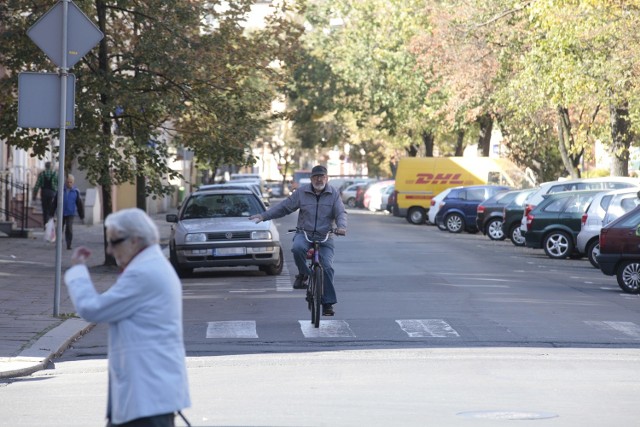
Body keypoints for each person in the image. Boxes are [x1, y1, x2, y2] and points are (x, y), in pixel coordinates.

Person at [64, 208, 191, 427]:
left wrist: (78, 272)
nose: (109, 250)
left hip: (146, 398)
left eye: (114, 242)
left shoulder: (143, 273)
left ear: (135, 240)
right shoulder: (151, 266)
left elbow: (92, 308)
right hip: (149, 393)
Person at [249, 165, 347, 316]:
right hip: (305, 233)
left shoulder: (334, 194)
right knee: (297, 248)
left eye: (322, 176)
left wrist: (341, 227)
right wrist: (264, 216)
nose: (319, 179)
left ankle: (327, 304)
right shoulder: (302, 192)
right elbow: (284, 207)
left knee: (326, 267)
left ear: (327, 178)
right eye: (316, 176)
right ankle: (303, 274)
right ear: (311, 179)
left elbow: (340, 212)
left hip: (325, 235)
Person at [51, 174, 85, 250]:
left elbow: (79, 204)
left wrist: (81, 215)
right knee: (59, 228)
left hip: (70, 213)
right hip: (61, 212)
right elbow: (55, 202)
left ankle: (68, 244)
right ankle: (58, 243)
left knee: (69, 228)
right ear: (65, 182)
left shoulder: (76, 191)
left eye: (71, 182)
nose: (69, 183)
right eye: (68, 182)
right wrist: (51, 213)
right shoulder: (60, 190)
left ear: (73, 182)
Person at [32, 161, 58, 227]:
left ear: (45, 166)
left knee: (45, 209)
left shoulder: (42, 174)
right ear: (51, 166)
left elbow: (37, 185)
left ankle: (45, 224)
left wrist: (34, 195)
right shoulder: (55, 174)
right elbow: (58, 184)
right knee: (51, 209)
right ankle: (51, 223)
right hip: (52, 193)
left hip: (44, 193)